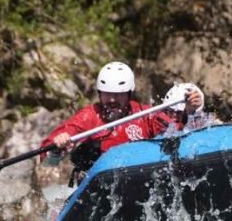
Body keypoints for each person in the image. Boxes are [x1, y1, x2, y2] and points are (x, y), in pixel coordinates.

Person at [40, 62, 196, 184]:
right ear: (99, 94)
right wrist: (56, 148)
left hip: (139, 180)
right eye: (107, 94)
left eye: (118, 95)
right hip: (98, 187)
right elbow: (47, 162)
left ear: (129, 94)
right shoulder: (88, 117)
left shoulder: (145, 114)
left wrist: (189, 112)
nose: (112, 100)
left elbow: (178, 133)